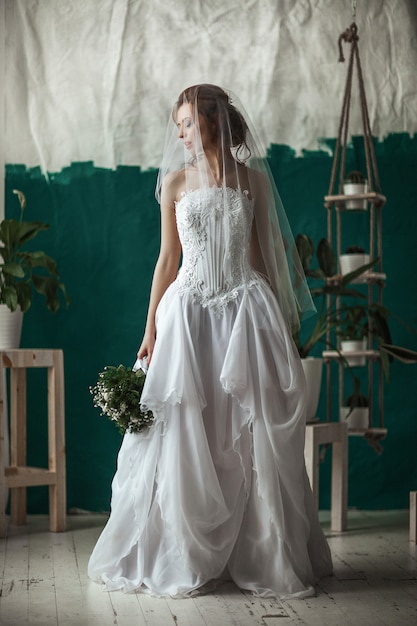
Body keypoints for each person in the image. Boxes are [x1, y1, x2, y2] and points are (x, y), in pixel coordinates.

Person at [88, 84, 332, 598]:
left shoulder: (254, 182)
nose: (178, 133)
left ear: (213, 122)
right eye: (176, 124)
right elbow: (165, 262)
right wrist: (150, 328)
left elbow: (265, 255)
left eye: (186, 123)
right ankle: (186, 548)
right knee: (185, 428)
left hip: (245, 309)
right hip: (188, 314)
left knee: (246, 431)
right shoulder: (176, 183)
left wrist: (280, 324)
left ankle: (258, 550)